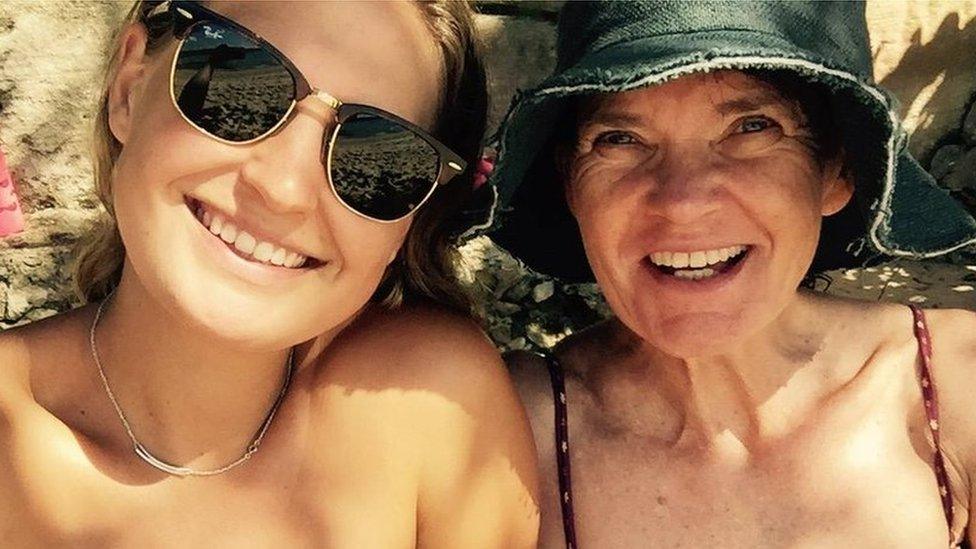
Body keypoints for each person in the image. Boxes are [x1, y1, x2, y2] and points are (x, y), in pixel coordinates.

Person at [0, 1, 539, 546]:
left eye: (380, 156)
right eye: (239, 84)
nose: (283, 191)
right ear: (129, 87)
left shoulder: (435, 408)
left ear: (410, 222)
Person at [488, 1, 976, 547]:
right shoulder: (510, 425)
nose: (682, 202)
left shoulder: (954, 384)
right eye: (619, 139)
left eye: (751, 127)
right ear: (571, 187)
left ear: (837, 171)